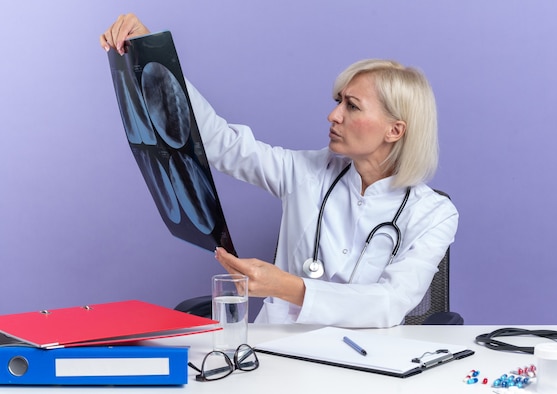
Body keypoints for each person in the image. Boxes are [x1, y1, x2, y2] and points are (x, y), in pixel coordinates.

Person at [101, 13, 458, 328]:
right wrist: (150, 53)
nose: (333, 116)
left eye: (352, 106)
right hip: (277, 352)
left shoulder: (434, 214)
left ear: (394, 130)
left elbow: (389, 303)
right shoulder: (306, 172)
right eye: (338, 102)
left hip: (367, 366)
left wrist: (287, 287)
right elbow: (221, 143)